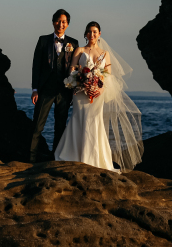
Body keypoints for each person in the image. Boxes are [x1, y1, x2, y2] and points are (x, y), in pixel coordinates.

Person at [54, 21, 144, 172]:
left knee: (94, 122)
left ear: (99, 34)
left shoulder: (105, 54)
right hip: (80, 93)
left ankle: (94, 158)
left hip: (97, 94)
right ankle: (73, 155)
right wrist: (82, 83)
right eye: (89, 31)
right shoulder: (79, 50)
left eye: (95, 32)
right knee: (79, 119)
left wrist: (98, 90)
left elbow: (107, 77)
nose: (92, 34)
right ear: (85, 34)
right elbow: (72, 70)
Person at [29, 9, 79, 163]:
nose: (60, 24)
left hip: (64, 92)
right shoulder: (43, 40)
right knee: (37, 126)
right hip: (45, 90)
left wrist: (74, 90)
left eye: (64, 22)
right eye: (58, 21)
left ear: (68, 25)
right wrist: (35, 89)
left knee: (60, 127)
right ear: (53, 22)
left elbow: (76, 69)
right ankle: (31, 159)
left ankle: (55, 159)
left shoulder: (74, 43)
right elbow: (36, 66)